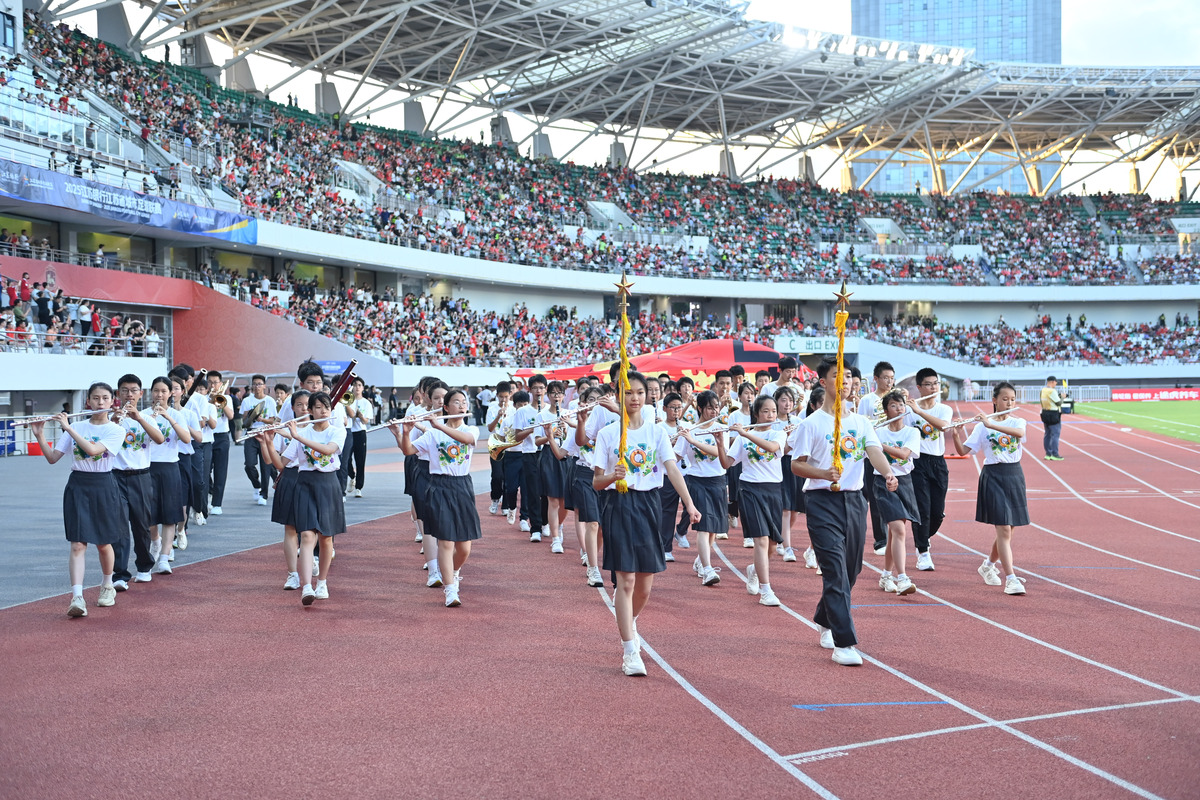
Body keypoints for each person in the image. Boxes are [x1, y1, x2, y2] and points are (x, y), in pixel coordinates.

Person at [790, 358, 898, 667]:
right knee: (835, 571)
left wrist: (888, 473)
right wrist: (823, 474)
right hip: (822, 502)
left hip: (854, 500)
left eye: (849, 376)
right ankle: (844, 642)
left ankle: (825, 617)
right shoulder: (811, 424)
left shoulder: (861, 422)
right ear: (823, 382)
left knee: (852, 571)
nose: (845, 381)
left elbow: (873, 451)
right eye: (838, 376)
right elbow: (796, 465)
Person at [593, 371, 700, 676]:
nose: (635, 398)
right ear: (619, 395)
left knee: (645, 585)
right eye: (628, 392)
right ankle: (630, 650)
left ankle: (629, 621)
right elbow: (596, 482)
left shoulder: (656, 432)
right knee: (625, 581)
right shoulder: (608, 434)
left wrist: (689, 504)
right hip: (619, 504)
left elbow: (672, 469)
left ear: (648, 396)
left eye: (640, 392)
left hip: (650, 505)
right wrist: (611, 477)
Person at [30, 383, 128, 618]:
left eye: (105, 398)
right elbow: (53, 458)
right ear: (88, 401)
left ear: (112, 401)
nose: (100, 402)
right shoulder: (77, 425)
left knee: (103, 543)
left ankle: (107, 586)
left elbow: (93, 450)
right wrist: (40, 434)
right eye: (95, 398)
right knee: (77, 544)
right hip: (78, 485)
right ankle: (77, 597)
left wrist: (67, 428)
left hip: (103, 484)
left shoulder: (116, 430)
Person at [395, 388, 480, 607]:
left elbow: (467, 439)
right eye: (457, 402)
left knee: (464, 547)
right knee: (446, 540)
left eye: (464, 402)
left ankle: (453, 571)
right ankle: (450, 590)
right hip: (439, 486)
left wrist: (438, 425)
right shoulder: (432, 434)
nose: (462, 406)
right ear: (446, 407)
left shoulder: (470, 429)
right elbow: (408, 451)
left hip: (462, 486)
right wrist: (404, 432)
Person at [951, 382, 1029, 596]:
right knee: (1003, 528)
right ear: (994, 400)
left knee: (1010, 529)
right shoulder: (981, 427)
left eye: (1012, 399)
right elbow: (963, 451)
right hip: (993, 476)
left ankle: (987, 565)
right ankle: (1011, 579)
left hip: (1014, 475)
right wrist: (957, 434)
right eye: (1005, 399)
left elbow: (1019, 433)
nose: (1009, 403)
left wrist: (991, 424)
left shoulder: (1017, 421)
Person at [718, 394, 788, 607]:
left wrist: (745, 434)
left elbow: (772, 448)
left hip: (773, 490)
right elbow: (726, 464)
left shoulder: (778, 433)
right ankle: (766, 591)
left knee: (772, 546)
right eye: (766, 411)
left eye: (773, 411)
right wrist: (720, 442)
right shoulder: (743, 437)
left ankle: (754, 570)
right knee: (761, 540)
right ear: (756, 413)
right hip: (749, 489)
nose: (771, 415)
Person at [280, 392, 346, 605]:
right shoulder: (302, 432)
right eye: (318, 407)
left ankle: (322, 582)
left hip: (328, 484)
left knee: (326, 538)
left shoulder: (337, 431)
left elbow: (328, 450)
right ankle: (307, 586)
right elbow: (282, 463)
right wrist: (266, 442)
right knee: (307, 536)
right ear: (310, 411)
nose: (323, 411)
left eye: (326, 407)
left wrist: (298, 437)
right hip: (305, 485)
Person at [109, 375, 166, 591]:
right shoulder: (111, 418)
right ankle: (120, 574)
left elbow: (159, 439)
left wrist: (139, 418)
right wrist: (114, 421)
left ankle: (144, 566)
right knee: (119, 526)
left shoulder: (148, 418)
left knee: (141, 525)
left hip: (141, 476)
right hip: (115, 476)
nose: (129, 395)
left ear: (141, 394)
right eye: (124, 390)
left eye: (134, 390)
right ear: (118, 394)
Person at [259, 391, 310, 590]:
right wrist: (267, 442)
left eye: (307, 405)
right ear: (293, 407)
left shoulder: (318, 429)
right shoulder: (284, 428)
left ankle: (312, 565)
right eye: (299, 405)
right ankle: (292, 574)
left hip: (311, 478)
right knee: (290, 528)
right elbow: (271, 461)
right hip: (289, 478)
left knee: (309, 529)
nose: (304, 409)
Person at [675, 391, 727, 584]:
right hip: (697, 481)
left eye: (717, 407)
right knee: (703, 528)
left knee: (713, 528)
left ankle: (700, 561)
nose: (715, 411)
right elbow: (676, 456)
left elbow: (721, 453)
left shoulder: (721, 428)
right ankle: (707, 569)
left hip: (718, 481)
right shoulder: (689, 430)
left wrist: (694, 441)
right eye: (710, 408)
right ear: (700, 408)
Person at [873, 391, 921, 597]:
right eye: (893, 405)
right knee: (899, 530)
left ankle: (886, 575)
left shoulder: (912, 432)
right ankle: (902, 578)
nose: (899, 409)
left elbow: (903, 454)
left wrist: (876, 444)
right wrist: (872, 437)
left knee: (895, 532)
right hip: (883, 482)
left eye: (901, 405)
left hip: (905, 482)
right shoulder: (878, 431)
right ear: (886, 411)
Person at [905, 368, 953, 572]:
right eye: (928, 384)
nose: (933, 388)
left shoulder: (944, 409)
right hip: (918, 463)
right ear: (919, 387)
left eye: (936, 384)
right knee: (922, 509)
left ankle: (923, 537)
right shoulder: (908, 410)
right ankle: (923, 551)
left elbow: (944, 427)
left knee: (937, 513)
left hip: (938, 462)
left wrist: (920, 412)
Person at [146, 376, 191, 576]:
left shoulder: (176, 415)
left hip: (170, 466)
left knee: (170, 515)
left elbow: (187, 439)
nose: (159, 395)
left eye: (164, 391)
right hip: (147, 467)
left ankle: (165, 557)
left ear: (170, 393)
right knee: (148, 514)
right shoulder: (143, 415)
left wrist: (169, 418)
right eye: (156, 391)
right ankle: (155, 540)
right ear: (151, 393)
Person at [858, 361, 895, 556]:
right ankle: (881, 540)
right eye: (885, 378)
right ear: (876, 379)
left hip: (893, 452)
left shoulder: (896, 398)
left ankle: (895, 535)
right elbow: (861, 424)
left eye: (892, 378)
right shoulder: (867, 400)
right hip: (872, 452)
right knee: (874, 497)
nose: (889, 382)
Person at [535, 381, 570, 553]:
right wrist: (550, 435)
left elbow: (575, 439)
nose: (557, 396)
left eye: (559, 393)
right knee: (553, 499)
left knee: (565, 500)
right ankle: (555, 539)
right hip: (549, 456)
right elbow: (537, 441)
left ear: (564, 395)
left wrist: (566, 430)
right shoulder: (541, 415)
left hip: (566, 454)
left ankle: (559, 525)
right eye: (553, 393)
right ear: (548, 395)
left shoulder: (568, 414)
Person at [240, 374, 279, 505]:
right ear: (252, 386)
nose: (257, 386)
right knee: (249, 465)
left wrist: (261, 419)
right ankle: (257, 485)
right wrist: (250, 416)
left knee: (265, 466)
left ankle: (264, 495)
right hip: (251, 434)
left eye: (259, 384)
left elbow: (272, 420)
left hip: (266, 434)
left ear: (264, 386)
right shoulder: (247, 400)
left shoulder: (270, 401)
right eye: (255, 384)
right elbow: (244, 420)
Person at [206, 371, 234, 515]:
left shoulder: (226, 398)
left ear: (221, 384)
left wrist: (219, 401)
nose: (212, 385)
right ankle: (210, 491)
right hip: (207, 436)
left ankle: (217, 503)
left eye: (215, 382)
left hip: (221, 436)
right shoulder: (203, 398)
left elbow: (230, 416)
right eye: (210, 382)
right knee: (205, 470)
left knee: (220, 470)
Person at [484, 381, 512, 516]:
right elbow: (490, 428)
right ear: (497, 396)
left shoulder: (514, 408)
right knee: (497, 475)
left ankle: (506, 504)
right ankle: (495, 498)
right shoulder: (492, 408)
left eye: (506, 397)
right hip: (496, 445)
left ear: (510, 395)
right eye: (501, 397)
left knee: (508, 476)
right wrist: (498, 416)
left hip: (510, 445)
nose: (503, 400)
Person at [345, 376, 372, 497]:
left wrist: (360, 416)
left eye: (359, 385)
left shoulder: (366, 403)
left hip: (360, 433)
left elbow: (366, 421)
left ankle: (359, 487)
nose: (357, 387)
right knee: (346, 459)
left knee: (360, 460)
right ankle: (352, 476)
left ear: (363, 388)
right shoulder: (347, 399)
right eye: (355, 385)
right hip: (349, 432)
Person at [1039, 376, 1065, 461]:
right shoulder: (1052, 391)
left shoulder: (1043, 390)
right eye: (1056, 382)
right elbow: (1058, 403)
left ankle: (1048, 454)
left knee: (1047, 434)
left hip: (1045, 413)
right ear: (1052, 382)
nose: (1056, 384)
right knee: (1055, 435)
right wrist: (1063, 397)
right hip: (1053, 414)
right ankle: (1055, 454)